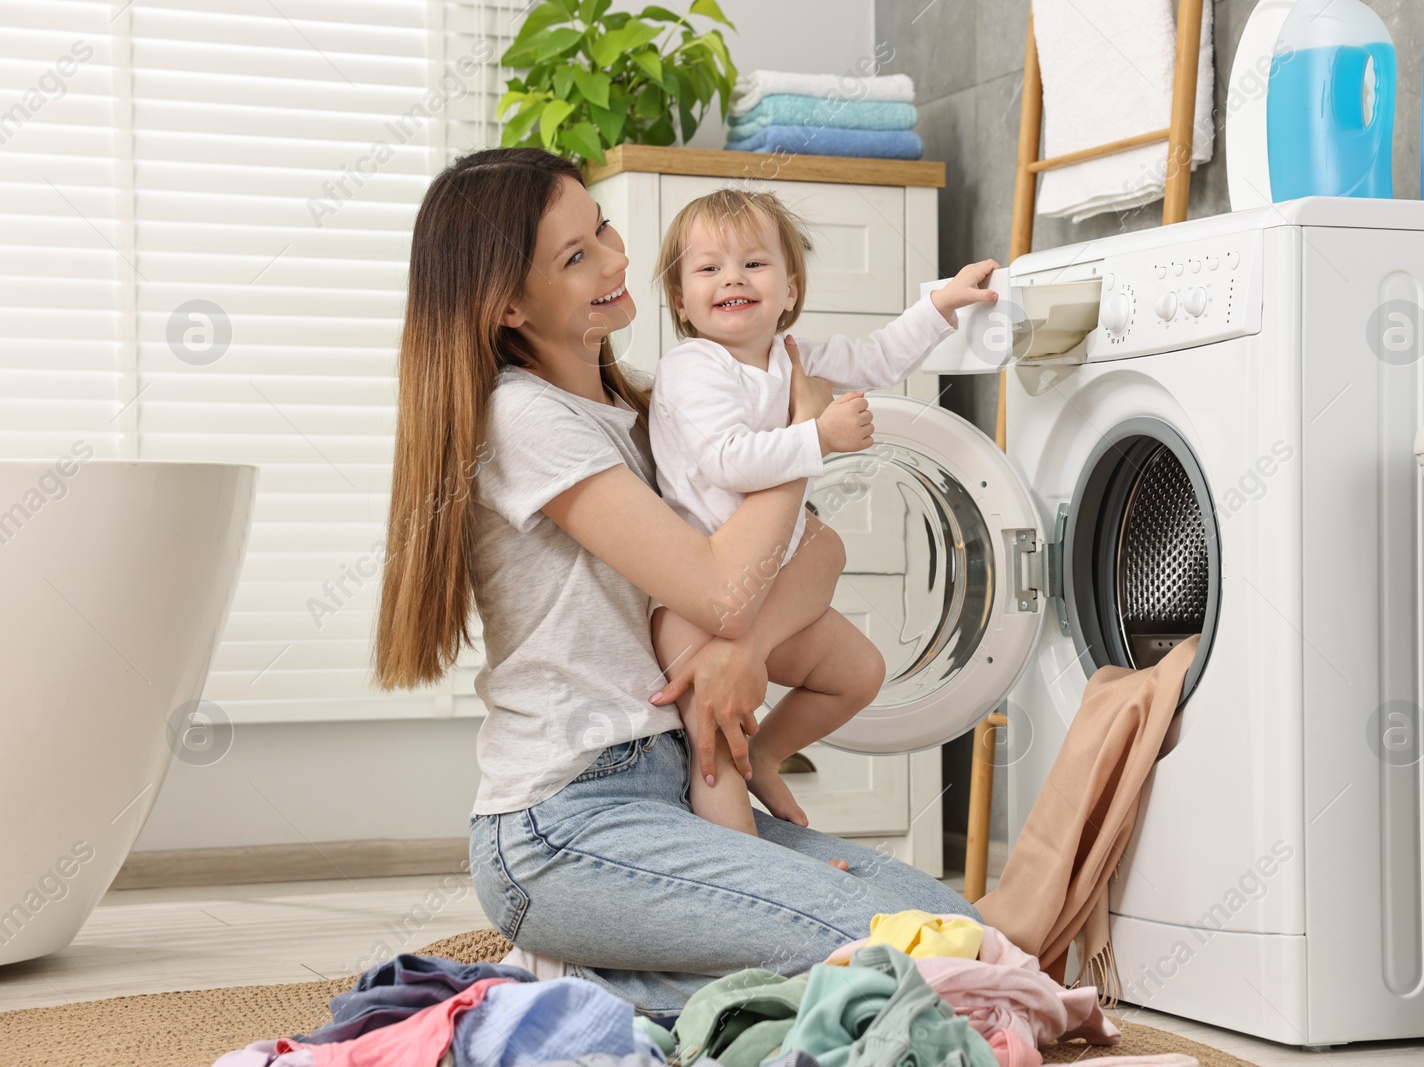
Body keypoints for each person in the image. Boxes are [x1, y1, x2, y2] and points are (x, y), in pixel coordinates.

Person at [372, 147, 982, 1020]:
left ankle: (599, 975)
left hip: (669, 791)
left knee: (949, 929)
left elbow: (820, 555)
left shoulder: (645, 412)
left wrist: (746, 648)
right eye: (576, 256)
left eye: (604, 229)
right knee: (909, 961)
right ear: (507, 305)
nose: (618, 260)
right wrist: (804, 433)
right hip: (565, 823)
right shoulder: (525, 418)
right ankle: (567, 977)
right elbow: (725, 586)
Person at [647, 188, 1000, 837]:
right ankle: (745, 872)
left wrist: (940, 304)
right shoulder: (692, 368)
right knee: (715, 744)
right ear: (679, 300)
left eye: (753, 263)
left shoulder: (794, 356)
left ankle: (771, 754)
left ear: (789, 288)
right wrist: (820, 435)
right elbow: (728, 458)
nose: (732, 277)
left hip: (774, 584)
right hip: (699, 597)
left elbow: (878, 358)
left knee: (859, 673)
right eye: (708, 268)